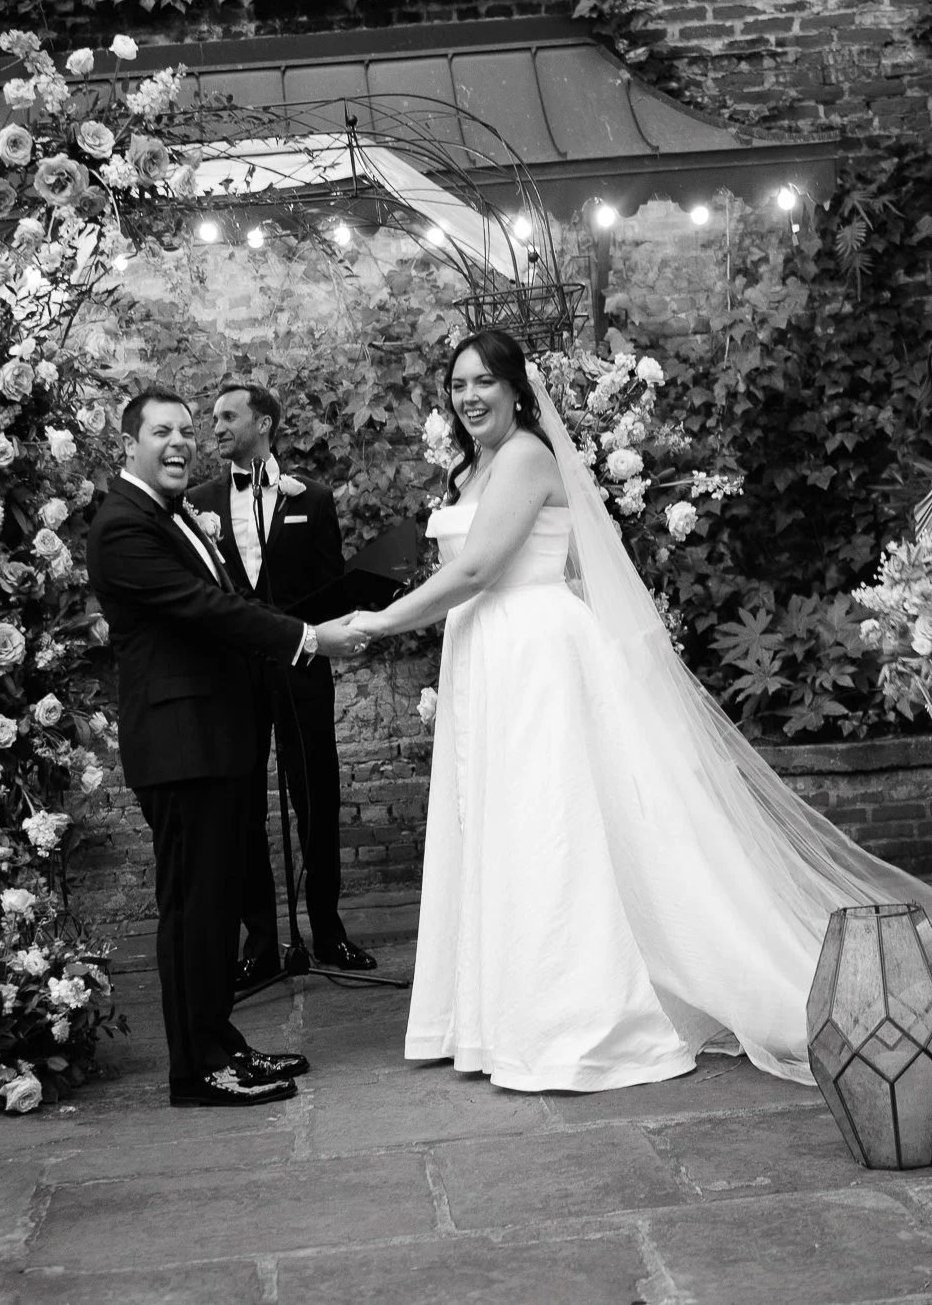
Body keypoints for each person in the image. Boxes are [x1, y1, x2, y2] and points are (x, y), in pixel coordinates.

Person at [351, 328, 932, 1092]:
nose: (468, 396)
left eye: (483, 381)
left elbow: (480, 565)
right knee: (495, 819)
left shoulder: (525, 454)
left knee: (550, 822)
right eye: (457, 383)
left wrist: (375, 623)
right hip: (485, 652)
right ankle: (492, 1013)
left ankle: (570, 1017)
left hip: (534, 651)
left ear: (517, 389)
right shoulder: (472, 465)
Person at [86, 387, 368, 1107]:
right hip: (182, 744)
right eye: (161, 432)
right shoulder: (123, 525)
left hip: (214, 740)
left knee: (214, 906)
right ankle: (196, 1068)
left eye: (186, 430)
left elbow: (230, 604)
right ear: (130, 445)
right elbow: (207, 609)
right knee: (193, 910)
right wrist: (307, 637)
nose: (179, 442)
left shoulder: (174, 517)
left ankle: (221, 1042)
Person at [189, 382, 378, 989]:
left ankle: (328, 928)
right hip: (234, 679)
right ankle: (261, 943)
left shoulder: (313, 499)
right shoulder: (199, 503)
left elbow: (330, 588)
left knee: (316, 799)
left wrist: (319, 635)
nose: (214, 427)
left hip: (301, 671)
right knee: (243, 807)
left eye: (227, 417)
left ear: (264, 422)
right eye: (213, 418)